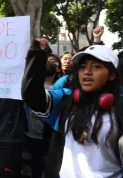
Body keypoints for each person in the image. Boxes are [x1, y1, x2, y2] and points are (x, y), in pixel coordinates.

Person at [22, 38, 123, 177]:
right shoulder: (66, 100)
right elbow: (32, 96)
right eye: (82, 67)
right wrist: (36, 54)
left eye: (96, 66)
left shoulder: (119, 109)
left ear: (111, 75)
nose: (87, 72)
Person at [24, 62, 58, 178]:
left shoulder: (33, 88)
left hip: (35, 132)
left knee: (35, 162)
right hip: (45, 132)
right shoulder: (59, 89)